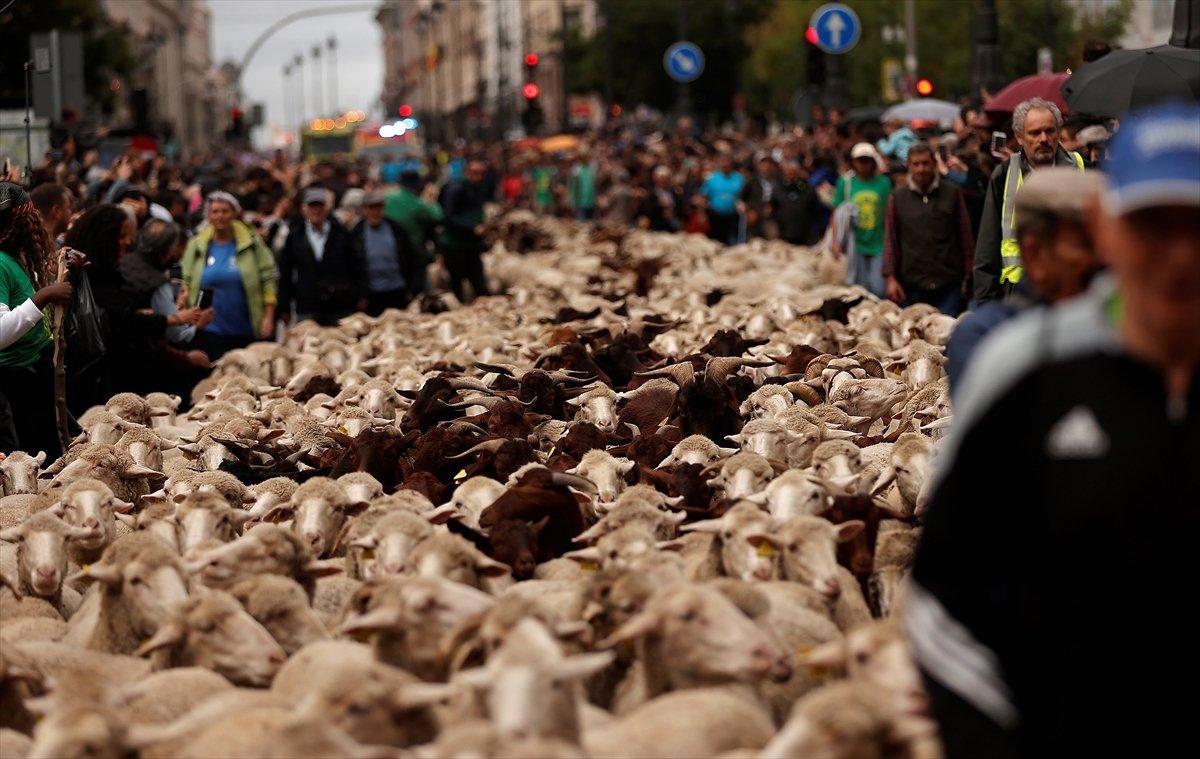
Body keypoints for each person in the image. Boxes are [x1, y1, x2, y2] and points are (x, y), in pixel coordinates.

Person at [906, 102, 1200, 759]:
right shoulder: (1025, 369)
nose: (1180, 254)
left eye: (1196, 226)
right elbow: (943, 596)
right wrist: (994, 738)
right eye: (1154, 225)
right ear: (1110, 233)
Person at [946, 168, 1105, 397]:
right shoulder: (983, 338)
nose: (1104, 257)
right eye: (1085, 244)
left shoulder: (1126, 325)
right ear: (1034, 254)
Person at [974, 98, 1085, 303]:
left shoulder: (1082, 168)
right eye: (1035, 133)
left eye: (1050, 131)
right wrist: (985, 304)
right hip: (1020, 295)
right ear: (1019, 137)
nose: (1043, 139)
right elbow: (987, 248)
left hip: (1074, 292)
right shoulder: (1004, 174)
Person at [0, 183, 74, 456]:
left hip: (33, 376)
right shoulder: (0, 263)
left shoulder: (12, 258)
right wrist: (43, 297)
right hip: (17, 385)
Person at [181, 191, 277, 359]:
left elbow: (268, 280)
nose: (220, 216)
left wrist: (268, 318)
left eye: (225, 211)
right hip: (210, 329)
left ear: (235, 213)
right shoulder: (197, 245)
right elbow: (185, 279)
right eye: (215, 211)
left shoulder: (252, 243)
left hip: (246, 327)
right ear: (208, 216)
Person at [882, 143, 975, 315]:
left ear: (934, 164)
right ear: (909, 166)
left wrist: (969, 275)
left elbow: (965, 236)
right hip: (912, 285)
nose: (921, 169)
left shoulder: (952, 193)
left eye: (925, 163)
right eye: (916, 164)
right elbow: (891, 239)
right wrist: (890, 278)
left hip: (949, 284)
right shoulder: (898, 197)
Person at [279, 187, 366, 326]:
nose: (316, 210)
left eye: (319, 206)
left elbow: (356, 266)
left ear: (327, 209)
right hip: (308, 305)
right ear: (304, 209)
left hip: (339, 305)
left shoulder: (341, 234)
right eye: (312, 206)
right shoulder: (295, 236)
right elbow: (285, 272)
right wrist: (284, 306)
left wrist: (360, 295)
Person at [831, 143, 892, 298]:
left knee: (878, 288)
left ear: (873, 162)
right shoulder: (845, 183)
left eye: (867, 160)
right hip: (855, 244)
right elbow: (837, 212)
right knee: (859, 288)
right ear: (854, 162)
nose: (863, 164)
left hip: (878, 242)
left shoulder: (884, 183)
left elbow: (888, 213)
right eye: (860, 160)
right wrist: (836, 241)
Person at [353, 191, 421, 316]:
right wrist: (360, 295)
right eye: (371, 208)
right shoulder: (356, 233)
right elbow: (352, 265)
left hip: (397, 291)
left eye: (378, 208)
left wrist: (412, 289)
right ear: (364, 209)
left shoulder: (396, 229)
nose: (375, 212)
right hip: (371, 295)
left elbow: (412, 258)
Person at [438, 160, 490, 303]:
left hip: (471, 245)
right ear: (466, 172)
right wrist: (472, 228)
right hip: (455, 246)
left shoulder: (477, 188)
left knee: (480, 286)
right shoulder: (456, 189)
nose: (479, 177)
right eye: (475, 173)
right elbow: (448, 216)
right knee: (457, 286)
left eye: (482, 173)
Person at [384, 170, 442, 294]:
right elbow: (438, 217)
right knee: (421, 293)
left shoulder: (387, 198)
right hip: (414, 255)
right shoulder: (417, 204)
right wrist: (431, 200)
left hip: (389, 255)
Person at [698, 153, 745, 246]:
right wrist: (702, 214)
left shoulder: (739, 178)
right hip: (715, 216)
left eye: (727, 162)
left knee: (732, 244)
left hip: (733, 216)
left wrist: (742, 204)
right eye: (723, 162)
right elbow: (703, 197)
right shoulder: (712, 178)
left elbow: (744, 196)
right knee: (716, 243)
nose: (725, 165)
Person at [776, 160, 824, 246]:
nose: (791, 176)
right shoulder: (779, 188)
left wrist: (818, 230)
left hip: (805, 234)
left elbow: (816, 210)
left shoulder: (806, 188)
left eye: (793, 173)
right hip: (784, 234)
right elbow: (773, 208)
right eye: (789, 173)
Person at [739, 155, 782, 240]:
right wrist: (745, 210)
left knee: (773, 239)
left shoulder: (778, 181)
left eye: (769, 165)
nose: (766, 168)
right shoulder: (752, 181)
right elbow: (741, 198)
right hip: (754, 217)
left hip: (771, 217)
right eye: (764, 165)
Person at [568, 156, 597, 221]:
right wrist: (572, 201)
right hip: (580, 202)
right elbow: (572, 186)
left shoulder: (591, 168)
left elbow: (593, 184)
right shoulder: (576, 170)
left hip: (591, 202)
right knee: (581, 222)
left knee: (590, 223)